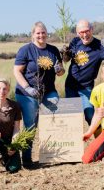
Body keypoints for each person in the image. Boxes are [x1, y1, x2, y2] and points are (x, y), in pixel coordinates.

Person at [13, 21, 65, 168]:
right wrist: (27, 87)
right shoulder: (26, 50)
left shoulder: (53, 50)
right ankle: (27, 159)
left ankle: (53, 152)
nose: (41, 35)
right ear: (33, 35)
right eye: (38, 33)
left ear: (47, 33)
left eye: (43, 32)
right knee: (30, 126)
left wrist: (59, 69)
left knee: (55, 112)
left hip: (48, 91)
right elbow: (17, 71)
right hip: (27, 94)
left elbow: (61, 72)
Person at [61, 19, 104, 128]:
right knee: (71, 117)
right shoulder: (75, 41)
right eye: (81, 32)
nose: (84, 34)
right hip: (70, 86)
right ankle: (74, 143)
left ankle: (102, 142)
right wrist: (65, 53)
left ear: (92, 30)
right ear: (77, 33)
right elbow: (66, 60)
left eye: (87, 31)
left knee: (90, 116)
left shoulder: (99, 46)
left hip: (86, 88)